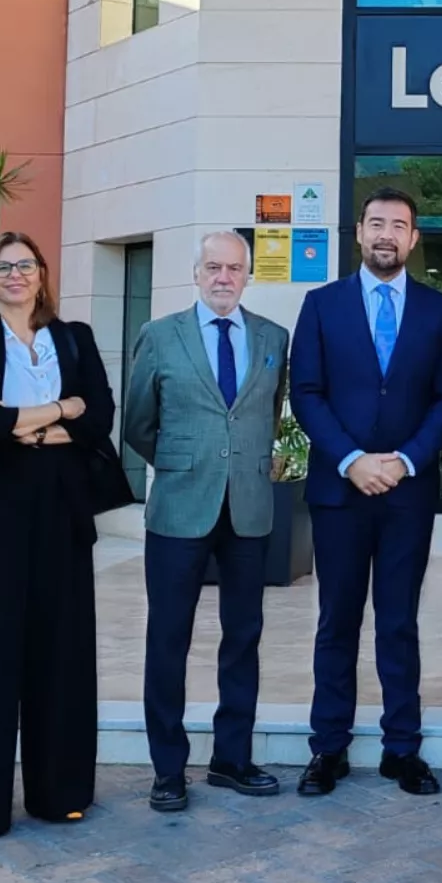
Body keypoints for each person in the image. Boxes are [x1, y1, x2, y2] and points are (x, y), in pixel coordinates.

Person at [0, 232, 119, 838]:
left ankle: (60, 793)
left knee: (61, 653)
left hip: (60, 509)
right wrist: (63, 410)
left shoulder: (74, 336)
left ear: (42, 275)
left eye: (26, 266)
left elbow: (103, 418)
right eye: (4, 267)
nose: (16, 276)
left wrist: (27, 423)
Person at [290, 186, 442, 797]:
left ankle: (401, 748)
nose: (388, 234)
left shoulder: (441, 312)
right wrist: (353, 459)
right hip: (341, 492)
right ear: (358, 232)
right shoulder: (321, 304)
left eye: (400, 225)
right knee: (336, 621)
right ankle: (327, 748)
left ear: (414, 239)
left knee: (399, 622)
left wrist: (408, 460)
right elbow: (306, 392)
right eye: (377, 223)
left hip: (407, 494)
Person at [123, 231, 290, 813]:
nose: (224, 277)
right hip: (179, 507)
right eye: (213, 267)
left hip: (248, 508)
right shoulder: (160, 335)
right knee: (168, 639)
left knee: (243, 638)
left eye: (234, 268)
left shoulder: (273, 338)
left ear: (248, 275)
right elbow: (139, 422)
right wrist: (184, 462)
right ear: (196, 273)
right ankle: (168, 768)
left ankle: (232, 758)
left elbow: (265, 414)